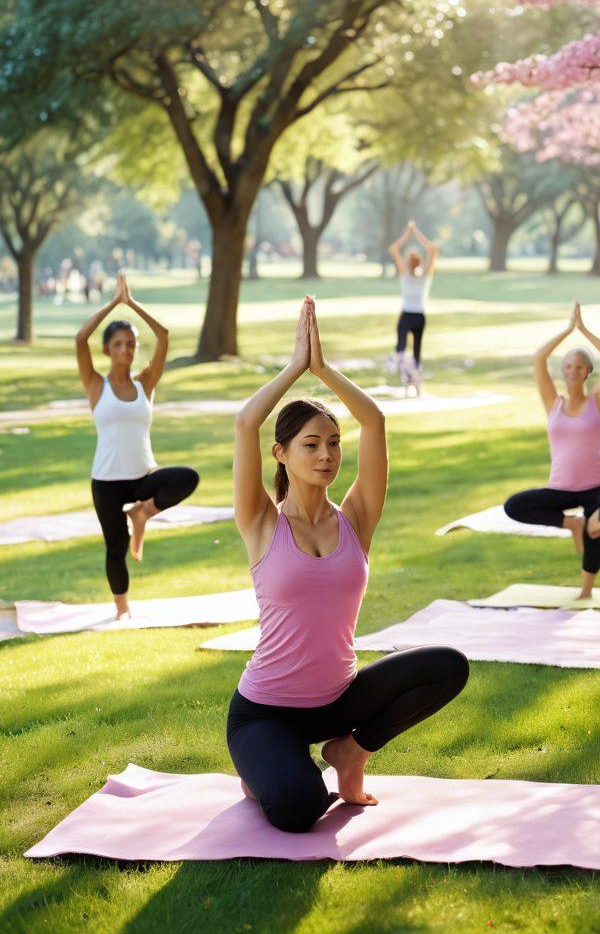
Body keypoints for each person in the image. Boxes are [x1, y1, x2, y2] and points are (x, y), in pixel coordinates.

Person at [228, 297, 468, 832]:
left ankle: (349, 752)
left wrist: (324, 369)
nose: (327, 456)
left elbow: (375, 419)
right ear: (281, 455)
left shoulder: (356, 519)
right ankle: (265, 767)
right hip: (266, 712)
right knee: (298, 809)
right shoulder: (261, 523)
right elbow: (246, 423)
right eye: (311, 444)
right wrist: (296, 367)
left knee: (449, 666)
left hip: (339, 701)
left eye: (334, 444)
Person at [75, 272, 199, 619]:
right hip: (107, 481)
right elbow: (80, 337)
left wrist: (132, 304)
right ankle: (122, 610)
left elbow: (163, 335)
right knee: (115, 548)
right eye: (118, 344)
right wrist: (113, 303)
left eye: (131, 344)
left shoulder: (146, 383)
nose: (126, 350)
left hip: (143, 476)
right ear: (107, 350)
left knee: (186, 477)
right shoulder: (95, 385)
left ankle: (143, 512)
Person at [503, 303, 600, 600]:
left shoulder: (598, 402)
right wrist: (568, 329)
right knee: (514, 505)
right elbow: (539, 357)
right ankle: (571, 523)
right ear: (562, 372)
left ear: (588, 371)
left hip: (598, 487)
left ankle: (586, 590)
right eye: (567, 367)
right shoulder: (553, 402)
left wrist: (585, 330)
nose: (572, 371)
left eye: (579, 367)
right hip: (561, 489)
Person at [387, 220, 439, 391]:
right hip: (412, 316)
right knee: (404, 350)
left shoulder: (420, 276)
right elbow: (394, 250)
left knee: (411, 350)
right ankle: (409, 377)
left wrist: (412, 233)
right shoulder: (411, 276)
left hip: (414, 316)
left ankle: (414, 381)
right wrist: (411, 233)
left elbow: (431, 250)